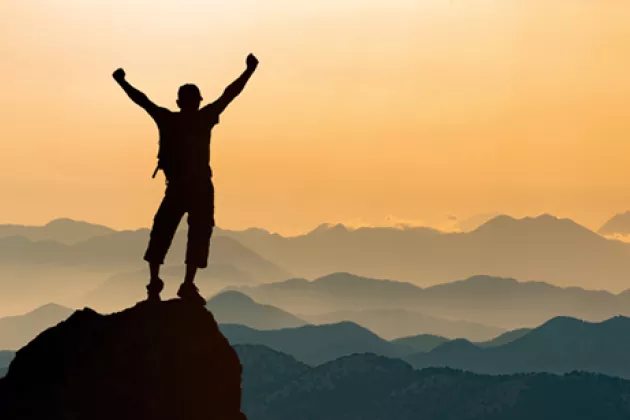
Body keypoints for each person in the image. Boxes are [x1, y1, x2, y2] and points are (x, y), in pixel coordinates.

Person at [113, 54, 259, 304]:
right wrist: (248, 71)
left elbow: (143, 101)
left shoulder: (168, 119)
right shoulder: (204, 118)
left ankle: (156, 284)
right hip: (199, 187)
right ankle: (186, 284)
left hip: (179, 187)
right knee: (197, 233)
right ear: (196, 102)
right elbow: (229, 94)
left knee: (164, 231)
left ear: (179, 102)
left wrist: (122, 82)